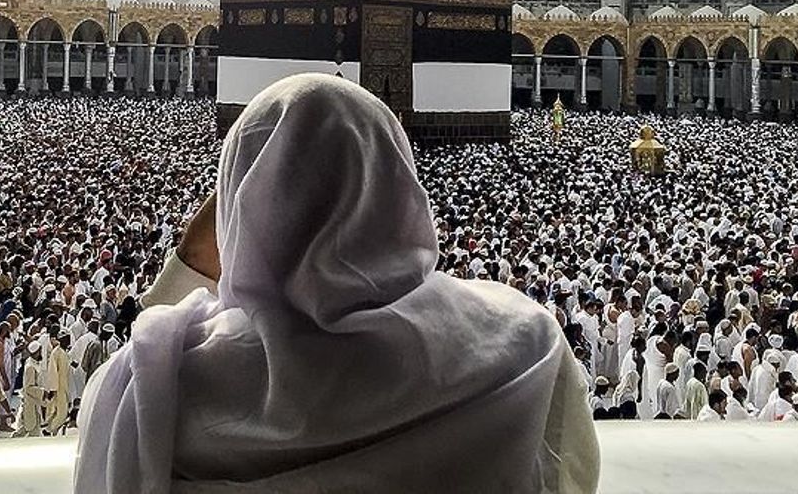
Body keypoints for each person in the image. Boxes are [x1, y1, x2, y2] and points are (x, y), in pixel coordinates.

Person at [75, 75, 599, 494]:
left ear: (240, 202)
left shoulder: (160, 381)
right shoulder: (524, 347)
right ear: (399, 182)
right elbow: (570, 476)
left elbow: (119, 423)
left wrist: (192, 262)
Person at [15, 341, 46, 438]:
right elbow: (29, 388)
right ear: (36, 352)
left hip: (35, 402)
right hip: (30, 403)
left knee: (30, 429)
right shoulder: (30, 367)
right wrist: (43, 392)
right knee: (29, 428)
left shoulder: (33, 362)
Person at [45, 333, 71, 435]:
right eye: (65, 339)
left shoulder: (65, 352)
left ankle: (50, 429)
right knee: (62, 413)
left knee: (57, 411)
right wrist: (53, 389)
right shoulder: (56, 353)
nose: (68, 341)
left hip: (65, 386)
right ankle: (49, 430)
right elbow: (52, 372)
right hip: (58, 387)